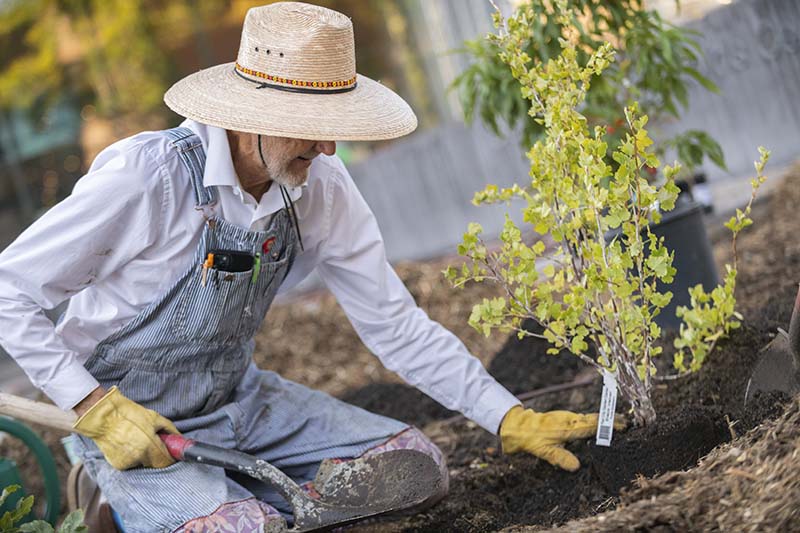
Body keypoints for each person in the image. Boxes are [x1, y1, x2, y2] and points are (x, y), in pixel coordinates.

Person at [0, 3, 621, 531]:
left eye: (335, 129)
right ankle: (118, 496)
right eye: (311, 129)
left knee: (412, 469)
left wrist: (504, 414)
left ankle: (234, 501)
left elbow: (392, 323)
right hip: (129, 425)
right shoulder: (150, 179)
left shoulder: (316, 182)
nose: (328, 149)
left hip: (238, 403)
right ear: (251, 116)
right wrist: (92, 405)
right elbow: (9, 289)